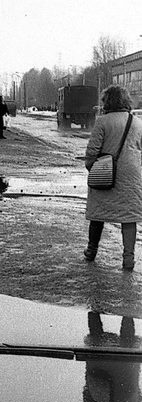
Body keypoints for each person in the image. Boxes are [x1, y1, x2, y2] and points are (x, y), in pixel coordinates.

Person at [84, 84, 142, 270]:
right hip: (131, 175)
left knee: (98, 212)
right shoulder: (137, 122)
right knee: (129, 216)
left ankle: (91, 251)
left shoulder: (102, 121)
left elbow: (92, 152)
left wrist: (93, 169)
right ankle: (128, 259)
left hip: (107, 171)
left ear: (107, 101)